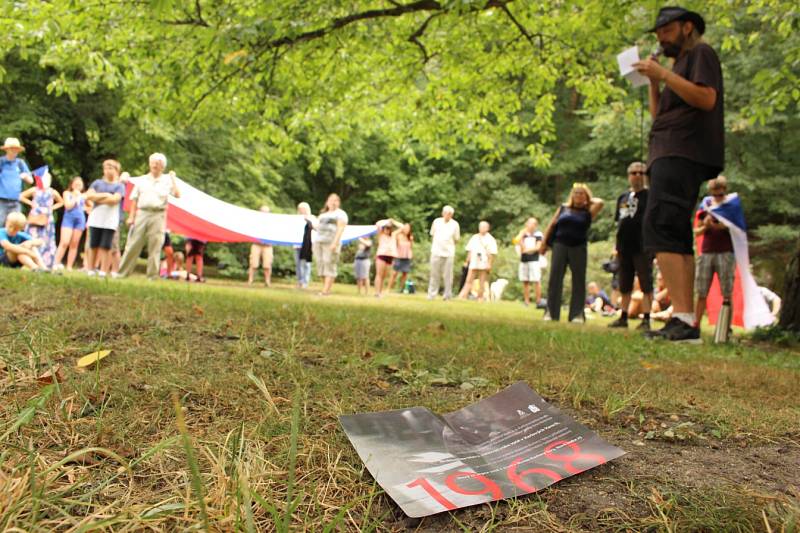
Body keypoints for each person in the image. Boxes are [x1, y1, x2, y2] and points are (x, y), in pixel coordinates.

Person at [634, 6, 724, 342]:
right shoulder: (675, 67)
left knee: (660, 224)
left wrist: (665, 76)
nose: (660, 37)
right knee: (673, 229)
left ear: (688, 27)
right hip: (668, 150)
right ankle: (684, 318)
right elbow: (659, 115)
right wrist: (653, 82)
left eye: (667, 30)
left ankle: (684, 319)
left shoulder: (701, 53)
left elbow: (706, 98)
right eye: (657, 32)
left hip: (683, 150)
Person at [541, 183, 604, 322]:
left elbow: (600, 202)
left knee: (579, 280)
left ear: (586, 196)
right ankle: (551, 313)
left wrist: (586, 200)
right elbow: (552, 224)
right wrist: (544, 243)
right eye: (575, 193)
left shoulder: (588, 211)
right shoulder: (564, 208)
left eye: (581, 193)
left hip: (578, 247)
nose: (578, 195)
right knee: (555, 279)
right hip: (560, 244)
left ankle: (576, 314)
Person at [118, 153, 181, 279]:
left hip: (158, 214)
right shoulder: (142, 180)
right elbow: (134, 199)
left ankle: (152, 276)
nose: (154, 165)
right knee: (133, 243)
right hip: (142, 213)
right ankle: (122, 273)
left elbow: (177, 194)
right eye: (153, 163)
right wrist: (131, 216)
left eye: (158, 163)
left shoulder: (167, 180)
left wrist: (173, 179)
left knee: (155, 245)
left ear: (163, 166)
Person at [608, 162, 653, 330]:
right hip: (623, 246)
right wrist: (616, 246)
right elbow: (619, 222)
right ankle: (623, 316)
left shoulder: (650, 196)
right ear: (629, 175)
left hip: (643, 246)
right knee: (624, 282)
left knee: (645, 281)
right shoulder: (623, 197)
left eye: (641, 173)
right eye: (634, 173)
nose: (637, 176)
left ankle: (647, 318)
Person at [693, 177, 734, 325]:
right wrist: (706, 225)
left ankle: (725, 327)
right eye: (715, 194)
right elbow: (696, 232)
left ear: (725, 191)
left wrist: (724, 225)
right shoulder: (706, 207)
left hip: (726, 252)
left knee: (727, 292)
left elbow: (738, 229)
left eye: (720, 194)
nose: (717, 197)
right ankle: (695, 324)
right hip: (707, 252)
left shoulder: (731, 207)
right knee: (701, 290)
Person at [85, 160, 125, 277]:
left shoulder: (119, 186)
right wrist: (107, 195)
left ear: (116, 170)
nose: (108, 170)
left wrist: (98, 197)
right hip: (96, 217)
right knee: (93, 244)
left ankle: (103, 270)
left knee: (106, 246)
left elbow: (115, 200)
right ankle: (90, 269)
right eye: (106, 168)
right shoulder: (97, 183)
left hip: (110, 220)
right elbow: (89, 196)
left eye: (111, 168)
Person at [19, 171, 62, 269]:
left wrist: (51, 208)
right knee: (31, 238)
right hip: (35, 216)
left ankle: (45, 263)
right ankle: (28, 261)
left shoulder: (52, 192)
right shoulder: (35, 190)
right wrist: (31, 203)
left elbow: (61, 202)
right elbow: (21, 196)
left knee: (46, 240)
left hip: (47, 218)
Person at [313, 193, 347, 296]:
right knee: (321, 264)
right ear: (327, 201)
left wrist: (335, 243)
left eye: (335, 200)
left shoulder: (341, 214)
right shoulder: (322, 214)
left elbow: (340, 228)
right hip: (319, 241)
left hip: (331, 241)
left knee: (329, 263)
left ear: (338, 202)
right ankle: (325, 288)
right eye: (330, 200)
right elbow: (318, 228)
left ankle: (325, 291)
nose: (332, 202)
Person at [53, 177, 89, 271]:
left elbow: (89, 206)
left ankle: (69, 266)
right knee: (64, 242)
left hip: (80, 220)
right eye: (76, 184)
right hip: (68, 219)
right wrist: (76, 197)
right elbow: (68, 206)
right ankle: (56, 263)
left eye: (80, 184)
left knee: (74, 244)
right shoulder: (67, 193)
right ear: (72, 185)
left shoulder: (84, 196)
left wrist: (86, 207)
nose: (78, 186)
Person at [458, 221, 498, 302]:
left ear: (487, 228)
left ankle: (480, 297)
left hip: (484, 262)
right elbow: (470, 250)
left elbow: (492, 253)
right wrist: (467, 261)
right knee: (468, 280)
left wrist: (489, 264)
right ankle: (463, 295)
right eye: (480, 227)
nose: (481, 229)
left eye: (483, 227)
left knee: (482, 282)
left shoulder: (490, 239)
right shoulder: (475, 237)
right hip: (474, 261)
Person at [427, 205, 460, 300]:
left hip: (449, 253)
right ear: (443, 213)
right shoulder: (436, 222)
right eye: (446, 213)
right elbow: (432, 235)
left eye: (450, 214)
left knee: (448, 275)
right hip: (436, 251)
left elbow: (456, 239)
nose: (447, 215)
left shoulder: (455, 224)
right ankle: (432, 294)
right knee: (434, 273)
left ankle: (447, 295)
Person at [0, 138, 32, 226]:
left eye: (16, 149)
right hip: (2, 200)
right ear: (7, 149)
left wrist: (25, 176)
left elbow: (31, 181)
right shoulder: (2, 162)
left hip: (16, 200)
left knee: (16, 225)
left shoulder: (20, 163)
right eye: (12, 149)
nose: (15, 151)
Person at [513, 217, 544, 306]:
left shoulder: (538, 234)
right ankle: (526, 301)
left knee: (536, 280)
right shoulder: (524, 234)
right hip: (524, 260)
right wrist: (521, 233)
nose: (529, 225)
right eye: (528, 223)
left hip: (534, 260)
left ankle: (538, 301)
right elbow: (516, 241)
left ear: (535, 225)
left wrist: (527, 250)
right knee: (525, 280)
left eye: (531, 223)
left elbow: (538, 247)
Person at [373, 218, 403, 298]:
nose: (387, 229)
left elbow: (402, 227)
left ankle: (380, 291)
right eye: (386, 228)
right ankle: (377, 292)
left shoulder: (393, 235)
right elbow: (377, 224)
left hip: (390, 257)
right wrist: (386, 221)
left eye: (389, 228)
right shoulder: (381, 234)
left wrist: (393, 221)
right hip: (382, 255)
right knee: (379, 274)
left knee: (384, 276)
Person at [248, 206, 273, 287]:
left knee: (267, 265)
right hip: (256, 244)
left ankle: (267, 282)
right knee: (253, 264)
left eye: (266, 212)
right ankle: (250, 280)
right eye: (263, 211)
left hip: (268, 246)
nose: (264, 213)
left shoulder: (272, 223)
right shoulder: (255, 222)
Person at [388, 223, 414, 293]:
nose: (407, 230)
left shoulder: (410, 237)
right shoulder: (398, 236)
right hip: (398, 257)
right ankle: (389, 289)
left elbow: (411, 248)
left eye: (408, 228)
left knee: (404, 274)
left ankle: (401, 289)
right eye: (405, 228)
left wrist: (411, 255)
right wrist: (401, 228)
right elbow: (393, 235)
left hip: (407, 257)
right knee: (394, 273)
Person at [295, 202, 315, 289]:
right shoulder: (295, 219)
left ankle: (305, 282)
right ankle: (300, 281)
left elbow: (315, 230)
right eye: (300, 209)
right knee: (298, 264)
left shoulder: (312, 218)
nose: (302, 210)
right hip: (297, 244)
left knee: (306, 264)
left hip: (308, 244)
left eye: (303, 209)